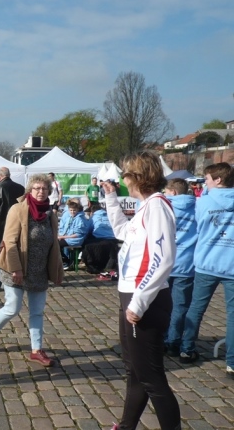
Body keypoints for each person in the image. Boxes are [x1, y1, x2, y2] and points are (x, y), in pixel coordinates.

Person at [103, 151, 180, 430]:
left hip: (145, 298)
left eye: (125, 174)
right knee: (135, 372)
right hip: (132, 293)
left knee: (151, 378)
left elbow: (164, 257)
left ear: (137, 176)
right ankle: (126, 426)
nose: (123, 179)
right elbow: (123, 232)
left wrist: (139, 302)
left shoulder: (157, 206)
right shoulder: (146, 206)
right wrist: (111, 198)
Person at [0, 174, 63, 367]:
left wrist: (57, 270)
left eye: (44, 188)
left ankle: (36, 350)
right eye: (37, 188)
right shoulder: (18, 209)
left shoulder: (50, 214)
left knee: (37, 312)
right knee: (13, 308)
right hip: (15, 268)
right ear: (30, 190)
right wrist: (16, 268)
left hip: (39, 271)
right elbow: (9, 241)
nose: (41, 192)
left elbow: (54, 245)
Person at [179, 163, 234, 377]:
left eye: (207, 179)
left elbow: (199, 226)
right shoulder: (204, 199)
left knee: (196, 308)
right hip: (231, 264)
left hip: (207, 261)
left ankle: (186, 349)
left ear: (218, 180)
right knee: (232, 315)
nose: (205, 183)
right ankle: (232, 362)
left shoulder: (203, 202)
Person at [162, 178, 197, 357]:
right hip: (186, 263)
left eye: (166, 191)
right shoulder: (196, 206)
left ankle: (161, 338)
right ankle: (174, 341)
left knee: (161, 304)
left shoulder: (164, 206)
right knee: (180, 306)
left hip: (165, 261)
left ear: (173, 192)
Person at [0, 167, 25, 292]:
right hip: (17, 225)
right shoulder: (20, 188)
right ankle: (12, 281)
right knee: (16, 253)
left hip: (1, 226)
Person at [57, 198, 90, 270]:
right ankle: (65, 260)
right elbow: (64, 228)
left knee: (56, 244)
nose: (72, 212)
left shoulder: (79, 219)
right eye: (71, 210)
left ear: (77, 210)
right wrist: (60, 236)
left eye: (74, 210)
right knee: (54, 242)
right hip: (68, 238)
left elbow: (78, 235)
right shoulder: (70, 217)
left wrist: (63, 237)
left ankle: (66, 261)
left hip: (75, 240)